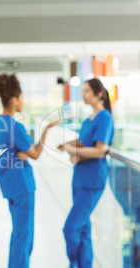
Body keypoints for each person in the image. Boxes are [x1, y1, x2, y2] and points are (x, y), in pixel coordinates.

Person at [0, 73, 59, 268]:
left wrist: (23, 153)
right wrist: (46, 129)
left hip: (9, 186)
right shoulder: (15, 126)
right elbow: (36, 153)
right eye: (21, 97)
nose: (24, 101)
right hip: (23, 186)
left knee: (18, 234)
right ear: (14, 100)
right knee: (24, 238)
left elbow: (15, 152)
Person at [58, 78, 114, 268]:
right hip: (80, 179)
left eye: (88, 91)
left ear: (99, 94)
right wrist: (74, 153)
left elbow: (100, 150)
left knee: (70, 228)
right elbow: (84, 148)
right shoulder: (86, 121)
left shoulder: (104, 118)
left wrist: (75, 150)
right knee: (83, 228)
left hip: (92, 181)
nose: (84, 95)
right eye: (83, 91)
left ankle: (75, 263)